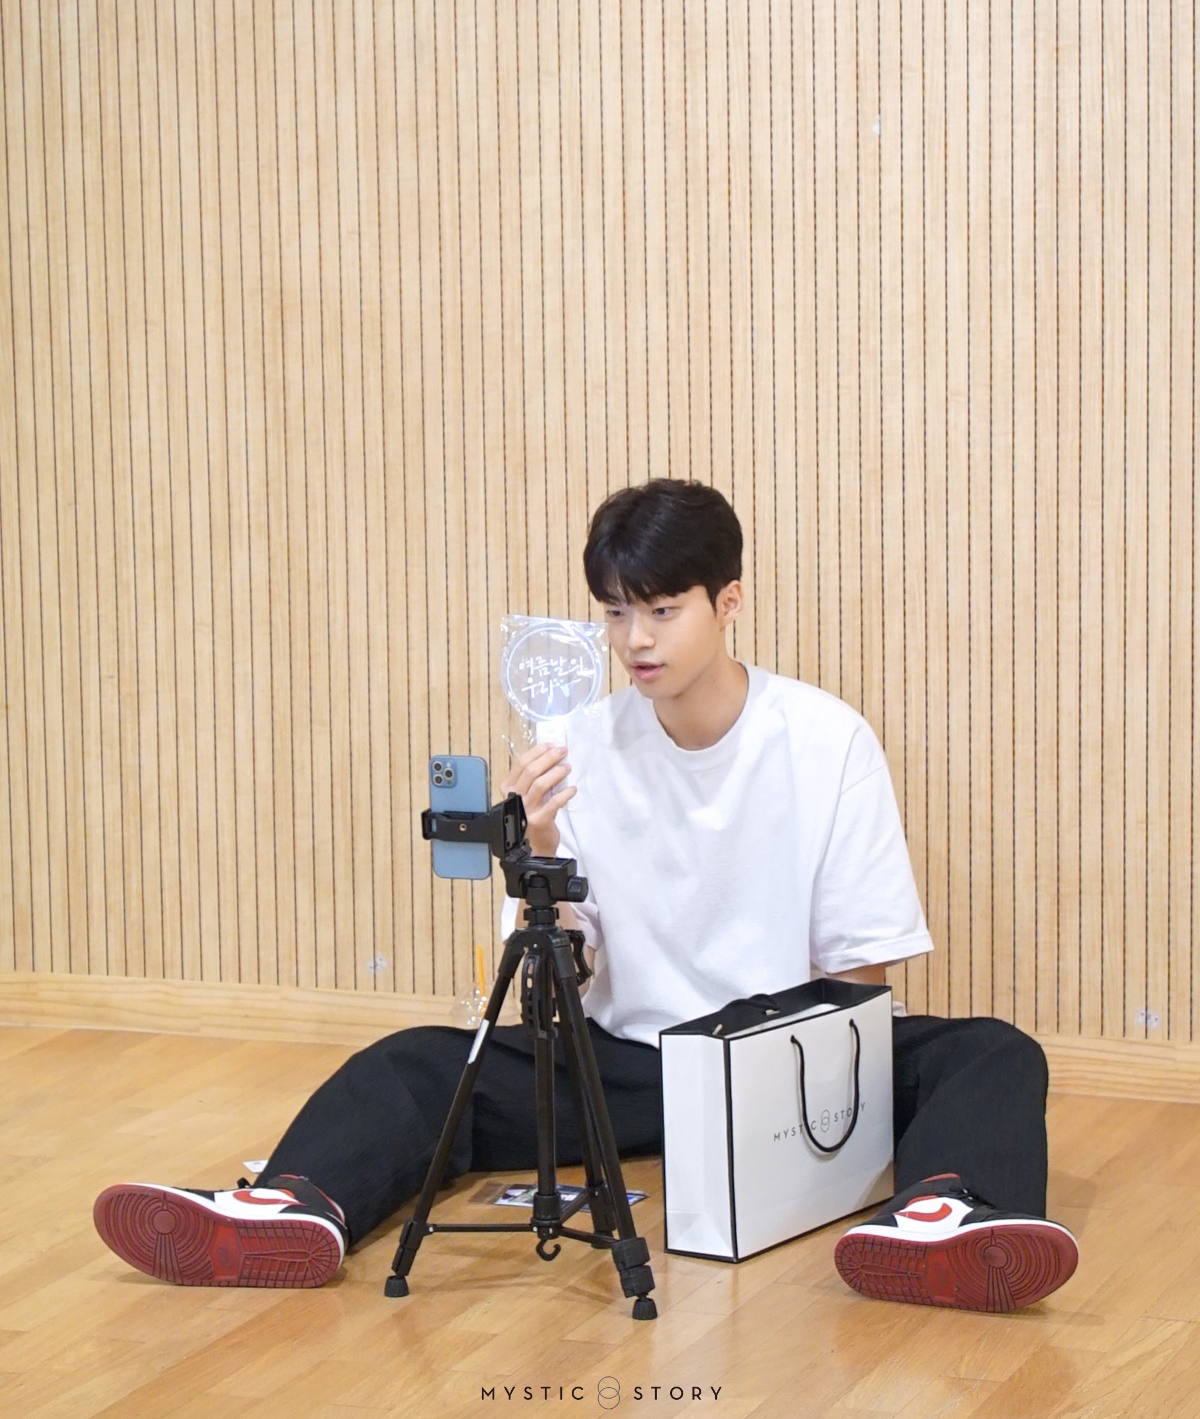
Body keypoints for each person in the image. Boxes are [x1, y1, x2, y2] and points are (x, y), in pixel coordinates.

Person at [93, 479, 1077, 1312]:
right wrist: (538, 851)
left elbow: (862, 968)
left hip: (781, 1062)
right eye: (614, 613)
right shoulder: (580, 750)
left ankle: (946, 1217)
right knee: (416, 1063)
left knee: (992, 1052)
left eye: (663, 610)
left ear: (729, 600)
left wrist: (822, 1116)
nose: (635, 640)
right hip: (628, 1067)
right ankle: (289, 1207)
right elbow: (556, 981)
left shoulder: (826, 738)